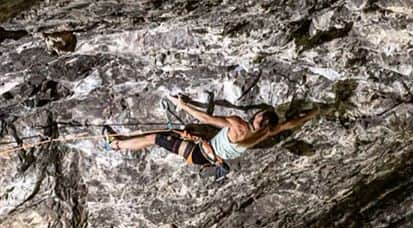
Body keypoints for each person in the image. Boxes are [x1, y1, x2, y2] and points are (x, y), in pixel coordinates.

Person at [102, 95, 318, 171]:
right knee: (176, 132)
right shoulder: (265, 133)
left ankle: (115, 145)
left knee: (155, 137)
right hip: (207, 156)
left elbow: (207, 119)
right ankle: (119, 143)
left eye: (259, 113)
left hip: (198, 153)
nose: (257, 114)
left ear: (257, 118)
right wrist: (310, 115)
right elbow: (289, 124)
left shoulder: (239, 124)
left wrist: (183, 105)